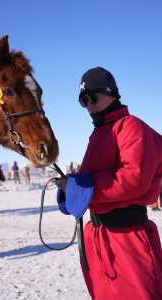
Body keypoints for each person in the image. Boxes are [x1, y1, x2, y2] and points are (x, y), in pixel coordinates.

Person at [57, 67, 162, 300]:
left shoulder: (131, 127)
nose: (89, 106)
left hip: (127, 238)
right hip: (97, 239)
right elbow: (90, 179)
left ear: (112, 93)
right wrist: (70, 187)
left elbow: (134, 179)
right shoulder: (98, 134)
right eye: (83, 102)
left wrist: (84, 187)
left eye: (93, 97)